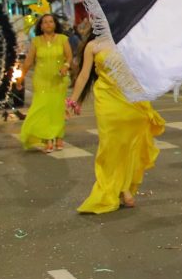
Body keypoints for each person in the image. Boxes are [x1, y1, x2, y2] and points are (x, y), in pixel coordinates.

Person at [70, 35, 165, 213]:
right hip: (107, 99)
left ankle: (124, 185)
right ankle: (121, 189)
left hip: (130, 99)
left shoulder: (129, 40)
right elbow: (84, 75)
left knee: (128, 144)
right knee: (111, 144)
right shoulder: (93, 45)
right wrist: (73, 100)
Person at [19, 14, 72, 153]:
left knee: (57, 109)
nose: (48, 24)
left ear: (55, 24)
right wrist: (20, 78)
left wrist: (66, 65)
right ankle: (48, 138)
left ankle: (59, 137)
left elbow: (69, 56)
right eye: (45, 22)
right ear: (41, 26)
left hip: (59, 80)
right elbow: (29, 62)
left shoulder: (62, 39)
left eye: (51, 22)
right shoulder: (36, 41)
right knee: (42, 109)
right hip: (41, 80)